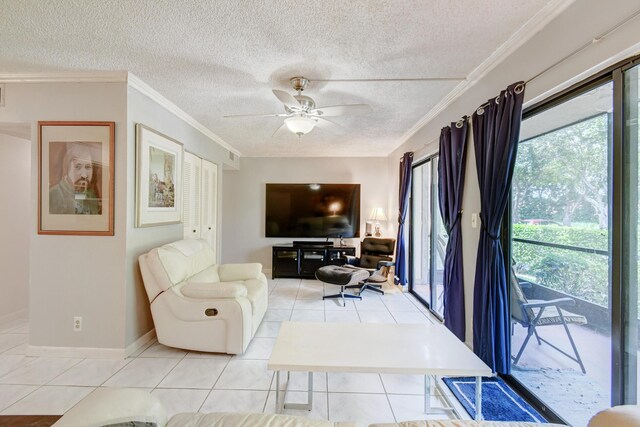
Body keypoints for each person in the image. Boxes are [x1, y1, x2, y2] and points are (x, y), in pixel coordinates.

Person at [49, 142, 101, 215]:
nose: (84, 175)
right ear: (66, 170)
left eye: (88, 167)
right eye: (78, 167)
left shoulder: (91, 197)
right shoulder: (51, 196)